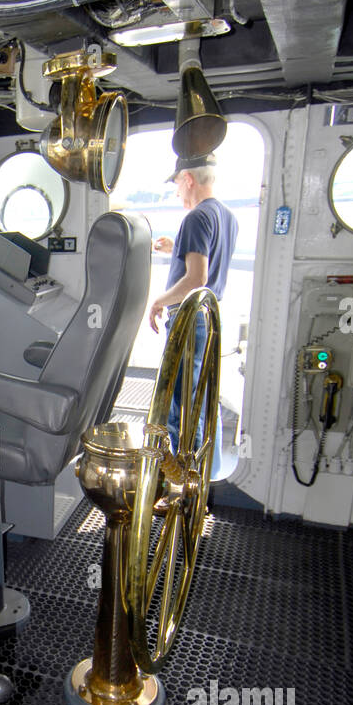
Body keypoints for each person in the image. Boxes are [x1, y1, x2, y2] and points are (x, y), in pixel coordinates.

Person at [148, 153, 238, 478]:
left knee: (182, 407)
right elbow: (210, 265)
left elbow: (196, 279)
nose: (177, 193)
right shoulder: (226, 216)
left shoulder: (196, 218)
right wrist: (175, 248)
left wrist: (159, 301)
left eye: (176, 185)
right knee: (202, 401)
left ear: (188, 178)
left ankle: (184, 487)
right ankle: (205, 481)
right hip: (211, 321)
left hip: (191, 321)